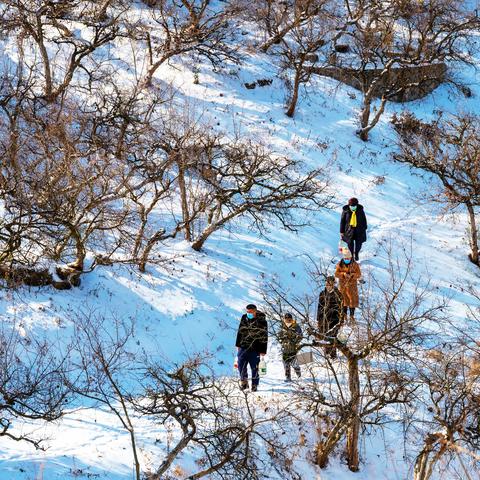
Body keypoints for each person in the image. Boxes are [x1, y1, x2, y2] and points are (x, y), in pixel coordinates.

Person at [235, 304, 268, 392]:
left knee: (255, 368)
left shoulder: (262, 321)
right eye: (247, 312)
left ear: (255, 311)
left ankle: (254, 385)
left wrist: (263, 350)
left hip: (255, 348)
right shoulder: (244, 317)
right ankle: (244, 383)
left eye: (250, 312)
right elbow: (240, 331)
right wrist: (238, 344)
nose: (248, 313)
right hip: (243, 347)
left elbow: (265, 336)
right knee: (241, 365)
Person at [316, 276, 343, 359]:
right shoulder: (322, 293)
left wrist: (340, 321)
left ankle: (333, 355)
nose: (328, 285)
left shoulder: (338, 294)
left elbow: (341, 309)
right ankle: (326, 354)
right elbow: (319, 306)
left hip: (334, 319)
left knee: (332, 337)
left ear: (333, 284)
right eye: (327, 283)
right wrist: (318, 319)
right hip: (323, 319)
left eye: (330, 283)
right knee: (324, 336)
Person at [335, 249, 361, 324]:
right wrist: (343, 274)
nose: (346, 259)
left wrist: (352, 275)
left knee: (352, 301)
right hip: (343, 286)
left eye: (348, 258)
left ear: (350, 258)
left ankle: (352, 316)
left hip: (352, 286)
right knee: (344, 301)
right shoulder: (340, 264)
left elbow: (359, 274)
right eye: (345, 258)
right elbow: (336, 274)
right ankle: (344, 315)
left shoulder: (355, 264)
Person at [278, 313, 302, 381]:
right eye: (286, 320)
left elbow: (300, 336)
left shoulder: (296, 326)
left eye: (289, 320)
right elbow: (279, 336)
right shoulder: (282, 326)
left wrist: (294, 341)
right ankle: (288, 377)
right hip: (285, 348)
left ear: (291, 319)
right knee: (286, 363)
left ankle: (299, 375)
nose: (288, 321)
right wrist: (281, 339)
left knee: (294, 363)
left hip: (293, 348)